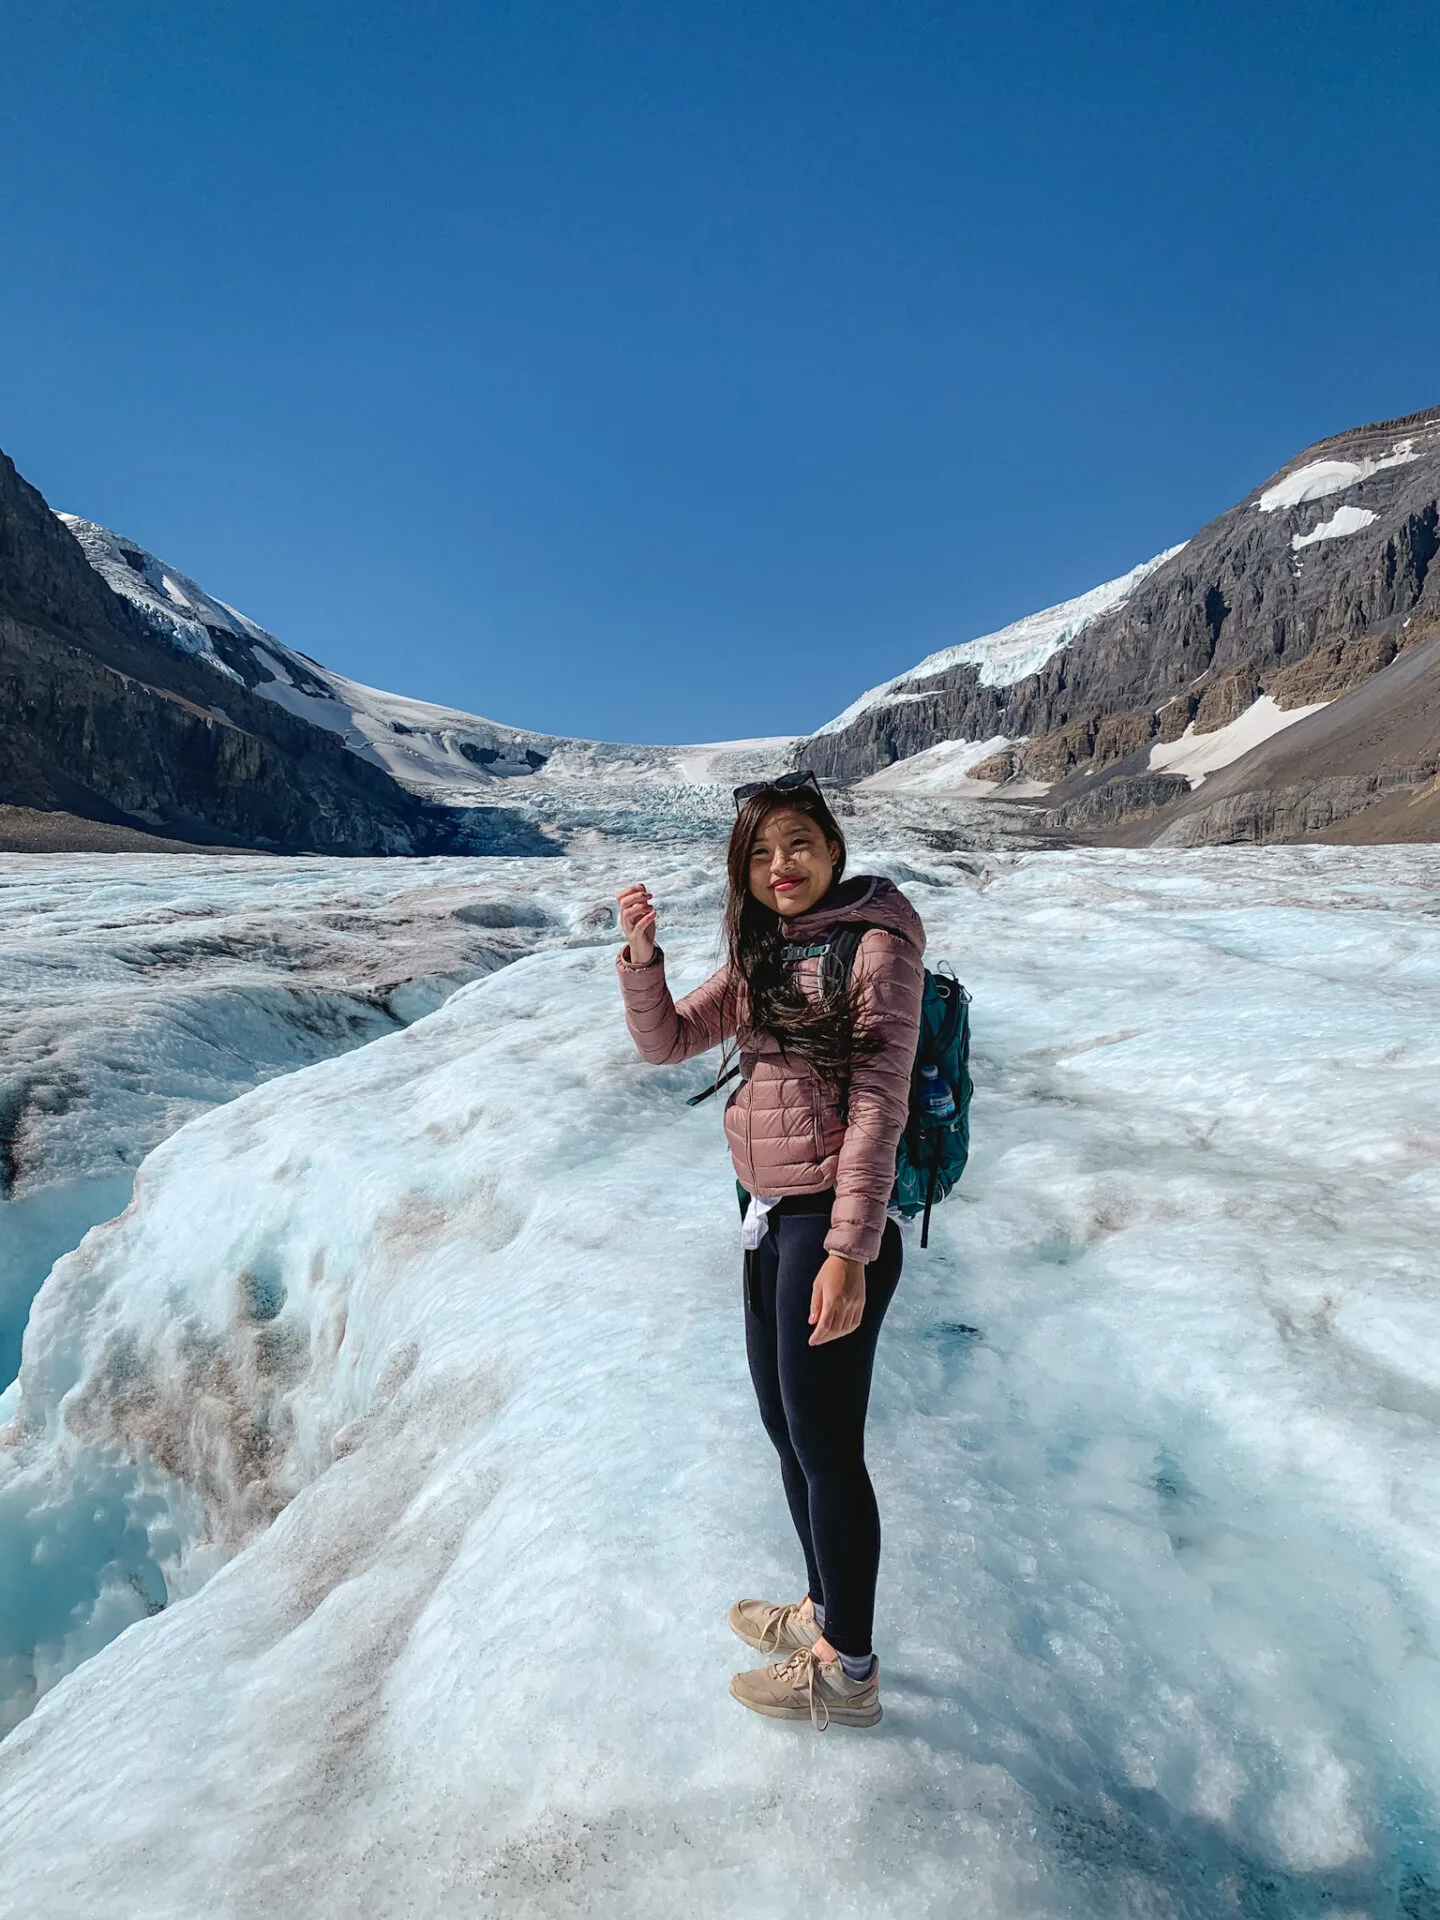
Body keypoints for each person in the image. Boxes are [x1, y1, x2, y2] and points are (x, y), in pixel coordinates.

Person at [615, 771, 925, 1730]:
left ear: (832, 849)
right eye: (758, 852)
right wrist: (640, 957)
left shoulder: (876, 950)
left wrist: (849, 1252)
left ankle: (851, 1670)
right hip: (768, 1218)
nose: (779, 866)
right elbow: (666, 1042)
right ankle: (824, 1613)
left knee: (830, 1448)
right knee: (788, 1431)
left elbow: (880, 1105)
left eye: (796, 844)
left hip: (830, 1226)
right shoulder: (763, 956)